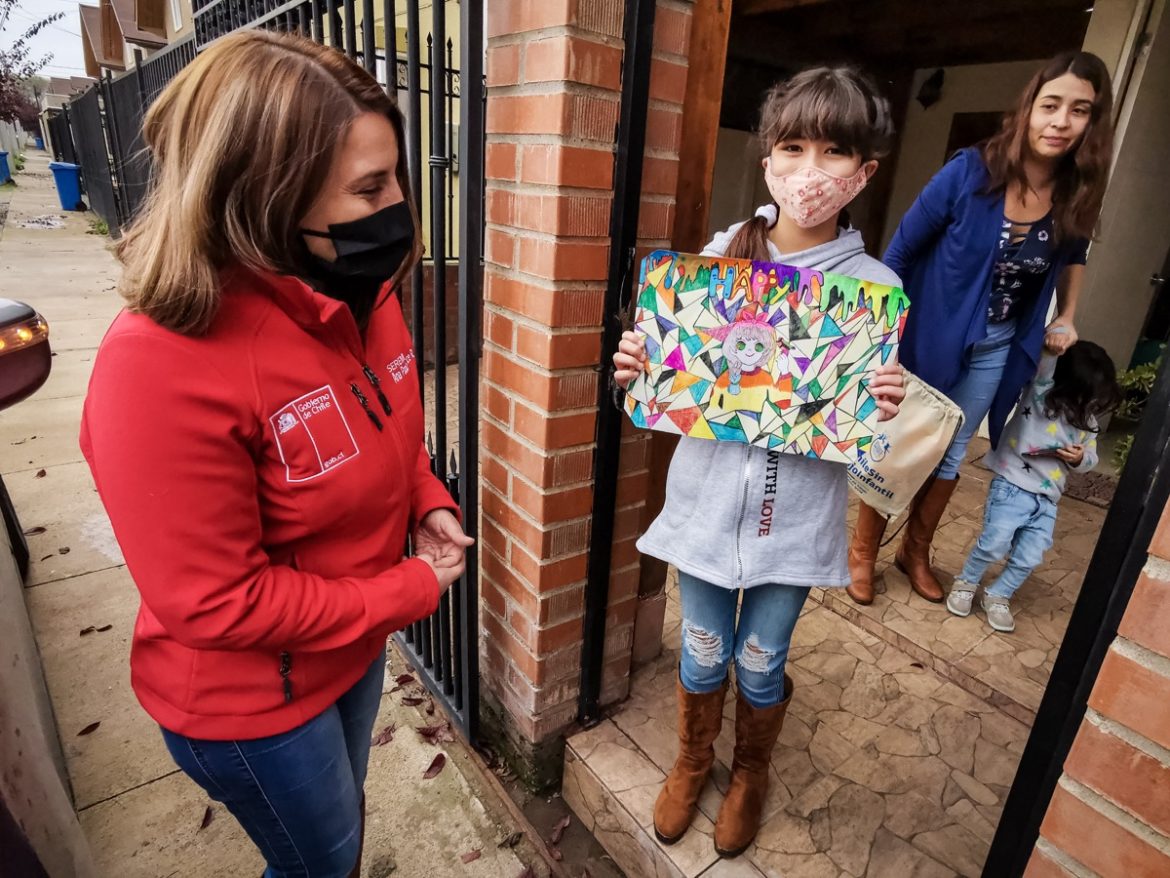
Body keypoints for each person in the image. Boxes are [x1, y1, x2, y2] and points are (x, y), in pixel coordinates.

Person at [79, 31, 473, 878]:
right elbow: (215, 603)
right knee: (322, 864)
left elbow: (388, 432)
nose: (401, 206)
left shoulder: (359, 293)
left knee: (342, 834)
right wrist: (404, 589)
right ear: (264, 194)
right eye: (371, 187)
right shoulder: (158, 364)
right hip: (251, 706)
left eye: (395, 174)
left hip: (349, 650)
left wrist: (426, 497)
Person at [613, 67, 906, 859]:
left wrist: (881, 401)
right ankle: (691, 759)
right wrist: (644, 363)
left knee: (762, 658)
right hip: (708, 505)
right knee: (704, 649)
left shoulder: (874, 293)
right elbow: (668, 382)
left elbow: (865, 433)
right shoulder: (716, 262)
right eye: (794, 146)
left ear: (864, 172)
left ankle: (750, 773)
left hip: (796, 518)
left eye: (836, 152)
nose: (812, 170)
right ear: (769, 157)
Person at [847, 51, 1116, 607]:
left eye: (1079, 110)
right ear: (1029, 109)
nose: (1061, 121)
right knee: (901, 440)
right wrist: (888, 339)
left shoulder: (1074, 191)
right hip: (926, 338)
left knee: (953, 450)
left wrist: (1066, 314)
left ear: (1093, 121)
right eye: (1050, 105)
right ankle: (862, 553)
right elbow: (898, 254)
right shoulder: (969, 171)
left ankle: (914, 553)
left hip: (998, 344)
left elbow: (1074, 252)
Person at [947, 340, 1121, 631]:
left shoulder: (1087, 422)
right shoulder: (1040, 394)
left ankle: (999, 594)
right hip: (1012, 485)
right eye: (1083, 396)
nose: (1087, 405)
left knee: (1030, 556)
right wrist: (1057, 339)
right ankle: (966, 581)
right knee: (994, 544)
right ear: (1066, 386)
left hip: (1048, 500)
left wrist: (1080, 458)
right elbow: (1044, 361)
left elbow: (1090, 457)